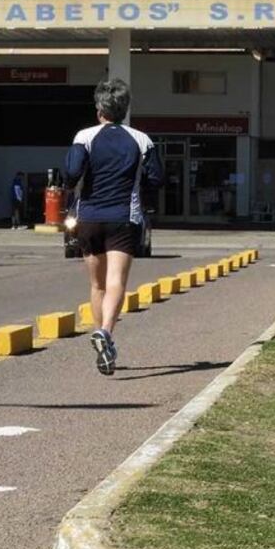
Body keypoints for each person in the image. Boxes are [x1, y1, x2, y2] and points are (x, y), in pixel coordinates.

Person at [64, 78, 162, 376]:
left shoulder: (85, 136)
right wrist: (138, 187)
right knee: (117, 280)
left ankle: (99, 337)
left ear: (99, 110)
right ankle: (106, 332)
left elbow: (71, 172)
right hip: (123, 216)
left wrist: (76, 185)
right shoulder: (142, 139)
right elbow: (156, 178)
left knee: (97, 284)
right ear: (125, 109)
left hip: (89, 217)